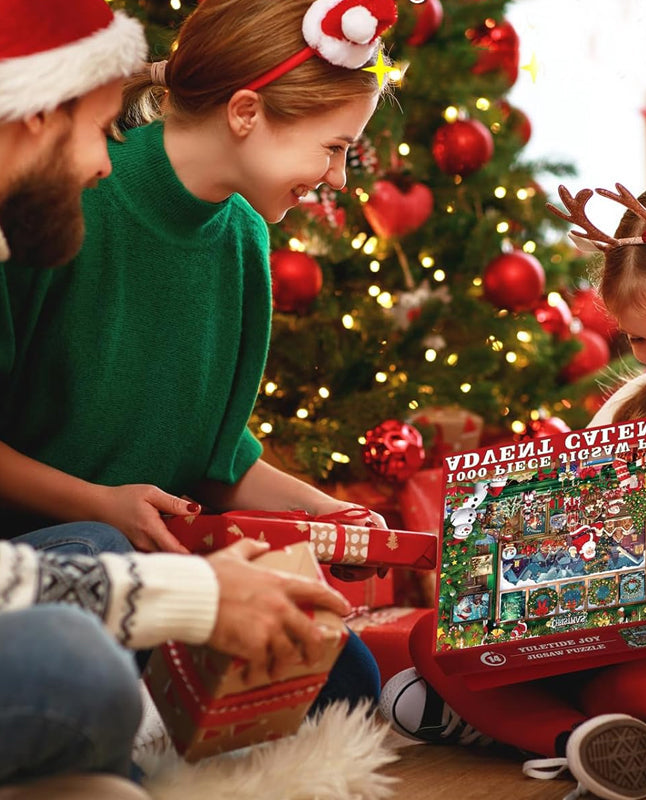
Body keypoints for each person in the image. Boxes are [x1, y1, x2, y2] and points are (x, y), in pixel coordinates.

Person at [0, 0, 391, 795]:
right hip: (57, 554)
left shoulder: (244, 238)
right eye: (335, 148)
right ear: (246, 113)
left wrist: (328, 511)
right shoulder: (59, 198)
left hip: (156, 561)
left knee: (347, 672)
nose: (341, 178)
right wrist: (101, 505)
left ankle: (142, 709)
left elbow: (218, 454)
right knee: (97, 571)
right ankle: (125, 714)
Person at [380, 178, 646, 800]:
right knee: (432, 639)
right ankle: (574, 744)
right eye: (637, 339)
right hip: (619, 637)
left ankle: (526, 724)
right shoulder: (632, 404)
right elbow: (574, 531)